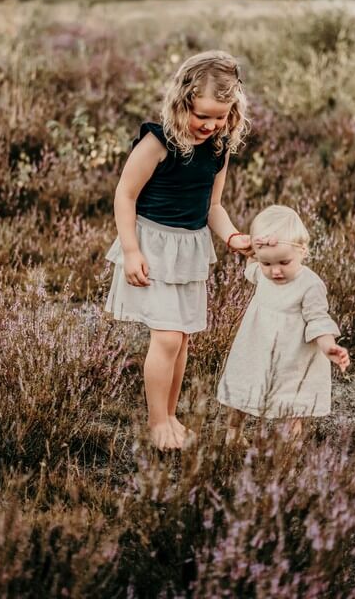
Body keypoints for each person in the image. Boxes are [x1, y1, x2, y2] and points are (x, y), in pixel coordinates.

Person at [105, 51, 251, 450]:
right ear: (182, 101)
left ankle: (170, 415)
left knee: (182, 339)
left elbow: (213, 208)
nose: (210, 124)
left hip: (188, 250)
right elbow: (125, 195)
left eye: (220, 116)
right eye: (202, 114)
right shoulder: (158, 141)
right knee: (167, 338)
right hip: (152, 246)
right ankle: (157, 424)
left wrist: (234, 237)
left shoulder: (218, 150)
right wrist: (131, 251)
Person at [217, 205, 350, 443]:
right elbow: (252, 266)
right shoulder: (260, 272)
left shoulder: (310, 285)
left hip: (292, 357)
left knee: (291, 405)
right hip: (256, 349)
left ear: (303, 252)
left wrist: (328, 346)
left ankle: (289, 450)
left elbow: (318, 319)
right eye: (267, 263)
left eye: (283, 262)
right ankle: (234, 433)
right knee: (242, 392)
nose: (275, 271)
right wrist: (254, 252)